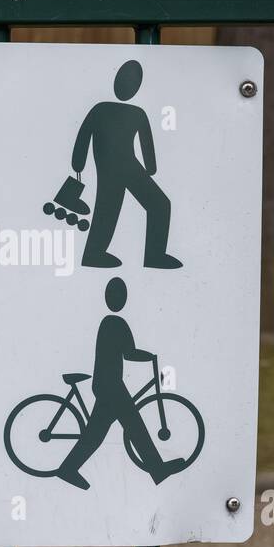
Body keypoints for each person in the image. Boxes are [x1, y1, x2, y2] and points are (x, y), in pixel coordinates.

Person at [57, 278, 180, 490]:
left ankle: (68, 468)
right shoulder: (116, 323)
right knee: (134, 425)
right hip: (110, 385)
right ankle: (157, 469)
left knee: (97, 433)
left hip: (106, 383)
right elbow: (130, 353)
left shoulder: (108, 322)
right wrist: (151, 358)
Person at [71, 59, 181, 269]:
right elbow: (146, 146)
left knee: (147, 205)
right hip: (119, 165)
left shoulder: (110, 110)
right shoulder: (125, 111)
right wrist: (150, 169)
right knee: (112, 208)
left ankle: (152, 256)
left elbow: (84, 136)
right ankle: (95, 255)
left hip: (119, 164)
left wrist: (78, 163)